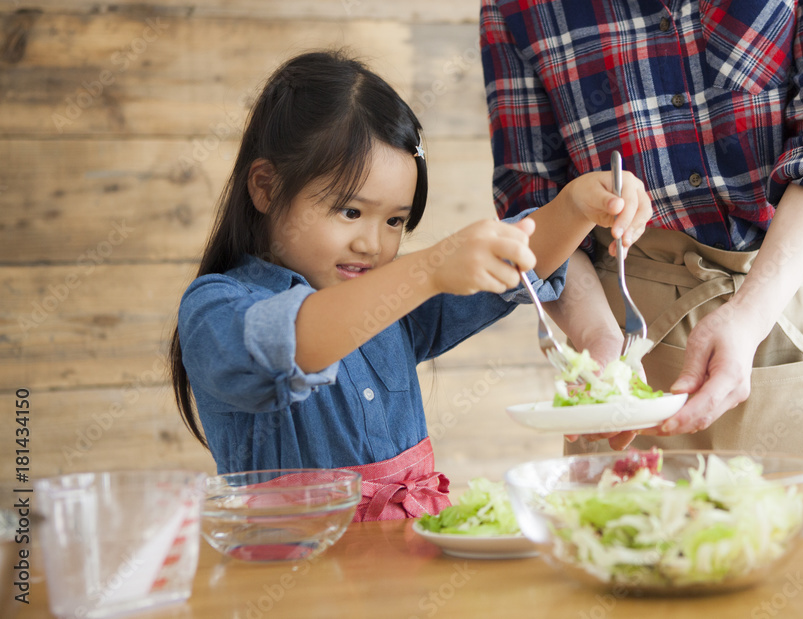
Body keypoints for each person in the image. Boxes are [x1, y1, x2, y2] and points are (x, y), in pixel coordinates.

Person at [169, 50, 651, 521]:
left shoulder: (396, 297)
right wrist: (431, 268)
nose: (372, 244)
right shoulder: (215, 307)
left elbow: (518, 261)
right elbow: (290, 342)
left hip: (408, 570)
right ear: (265, 188)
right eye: (351, 211)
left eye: (396, 220)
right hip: (294, 580)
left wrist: (575, 206)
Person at [481, 0, 803, 483]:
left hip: (789, 304)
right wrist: (600, 344)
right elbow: (531, 209)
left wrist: (748, 314)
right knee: (632, 548)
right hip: (631, 346)